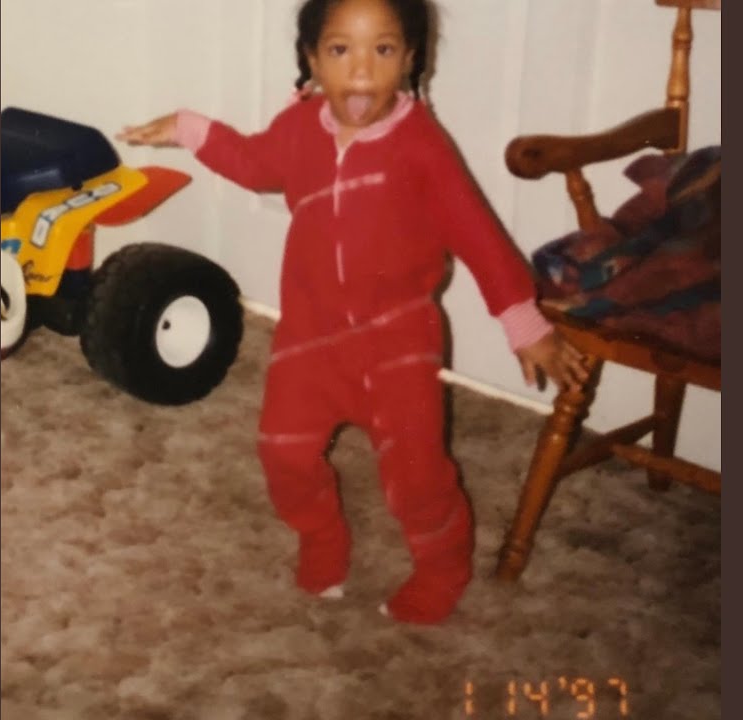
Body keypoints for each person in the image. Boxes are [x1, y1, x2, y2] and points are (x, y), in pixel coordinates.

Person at [117, 0, 586, 624]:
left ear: (410, 59)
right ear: (312, 60)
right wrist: (189, 127)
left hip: (398, 342)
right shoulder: (299, 127)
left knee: (416, 474)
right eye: (340, 51)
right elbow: (255, 164)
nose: (361, 71)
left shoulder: (421, 147)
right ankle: (321, 535)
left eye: (383, 50)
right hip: (309, 339)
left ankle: (442, 565)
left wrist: (524, 324)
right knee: (283, 453)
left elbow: (478, 235)